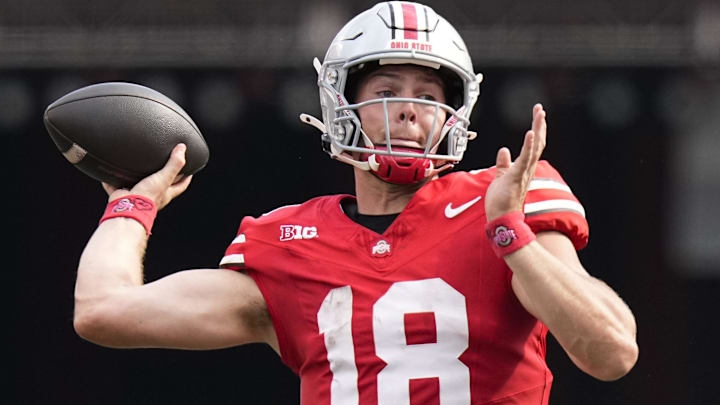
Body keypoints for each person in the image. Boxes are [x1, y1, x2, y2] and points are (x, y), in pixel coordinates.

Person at [73, 2, 638, 404]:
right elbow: (104, 312)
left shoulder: (506, 197)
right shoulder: (290, 244)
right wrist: (131, 205)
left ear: (455, 115)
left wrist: (510, 233)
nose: (410, 110)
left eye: (429, 96)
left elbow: (611, 353)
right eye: (387, 90)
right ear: (342, 103)